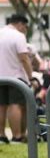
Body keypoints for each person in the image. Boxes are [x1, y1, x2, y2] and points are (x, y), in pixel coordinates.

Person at [0, 14, 33, 143]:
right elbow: (24, 58)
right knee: (16, 105)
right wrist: (31, 77)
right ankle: (17, 136)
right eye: (25, 26)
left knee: (1, 105)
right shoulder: (18, 36)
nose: (25, 29)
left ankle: (1, 136)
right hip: (15, 76)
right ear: (20, 24)